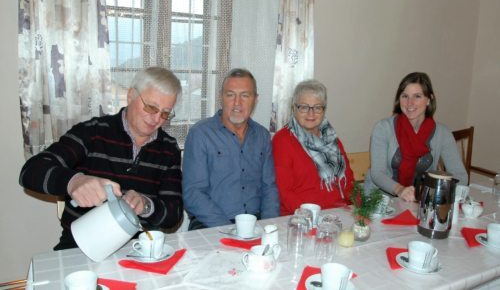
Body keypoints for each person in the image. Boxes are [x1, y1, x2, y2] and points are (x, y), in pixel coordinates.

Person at [19, 67, 184, 250]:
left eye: (165, 113)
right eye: (151, 107)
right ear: (131, 96)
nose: (156, 119)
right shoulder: (92, 133)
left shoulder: (168, 148)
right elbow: (30, 171)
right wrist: (74, 182)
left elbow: (174, 213)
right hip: (79, 245)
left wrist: (146, 206)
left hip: (138, 248)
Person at [182, 68, 280, 229]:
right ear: (221, 97)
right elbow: (194, 194)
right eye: (230, 95)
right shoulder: (200, 134)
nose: (237, 103)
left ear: (255, 99)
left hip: (256, 222)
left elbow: (269, 188)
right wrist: (229, 229)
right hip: (211, 224)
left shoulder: (262, 135)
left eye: (245, 95)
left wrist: (269, 227)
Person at [364, 72, 467, 202]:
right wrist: (400, 190)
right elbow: (377, 173)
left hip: (419, 201)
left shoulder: (443, 133)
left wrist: (438, 193)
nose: (409, 103)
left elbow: (461, 176)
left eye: (417, 96)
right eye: (405, 96)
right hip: (378, 199)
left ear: (429, 99)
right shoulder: (383, 128)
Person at [272, 80, 355, 215]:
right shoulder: (282, 140)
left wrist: (360, 207)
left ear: (324, 110)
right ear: (294, 108)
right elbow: (284, 191)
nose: (311, 114)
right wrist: (313, 215)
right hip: (302, 217)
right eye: (304, 107)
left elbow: (349, 180)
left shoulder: (332, 138)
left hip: (339, 213)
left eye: (317, 108)